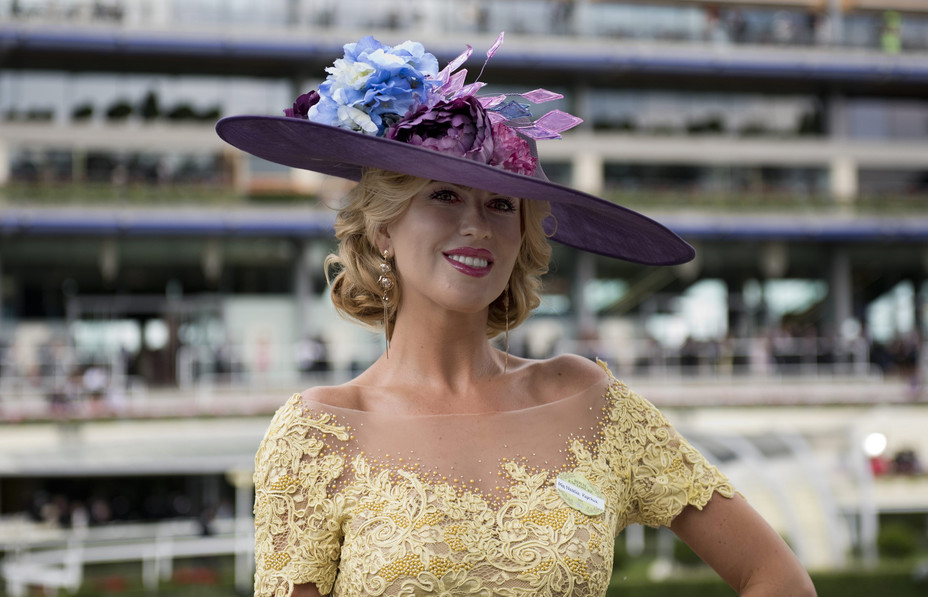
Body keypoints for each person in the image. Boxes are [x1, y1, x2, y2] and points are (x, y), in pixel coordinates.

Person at [217, 34, 815, 597]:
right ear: (382, 230)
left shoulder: (590, 400)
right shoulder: (317, 435)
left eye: (501, 204)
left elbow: (776, 577)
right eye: (443, 195)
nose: (476, 224)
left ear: (521, 237)